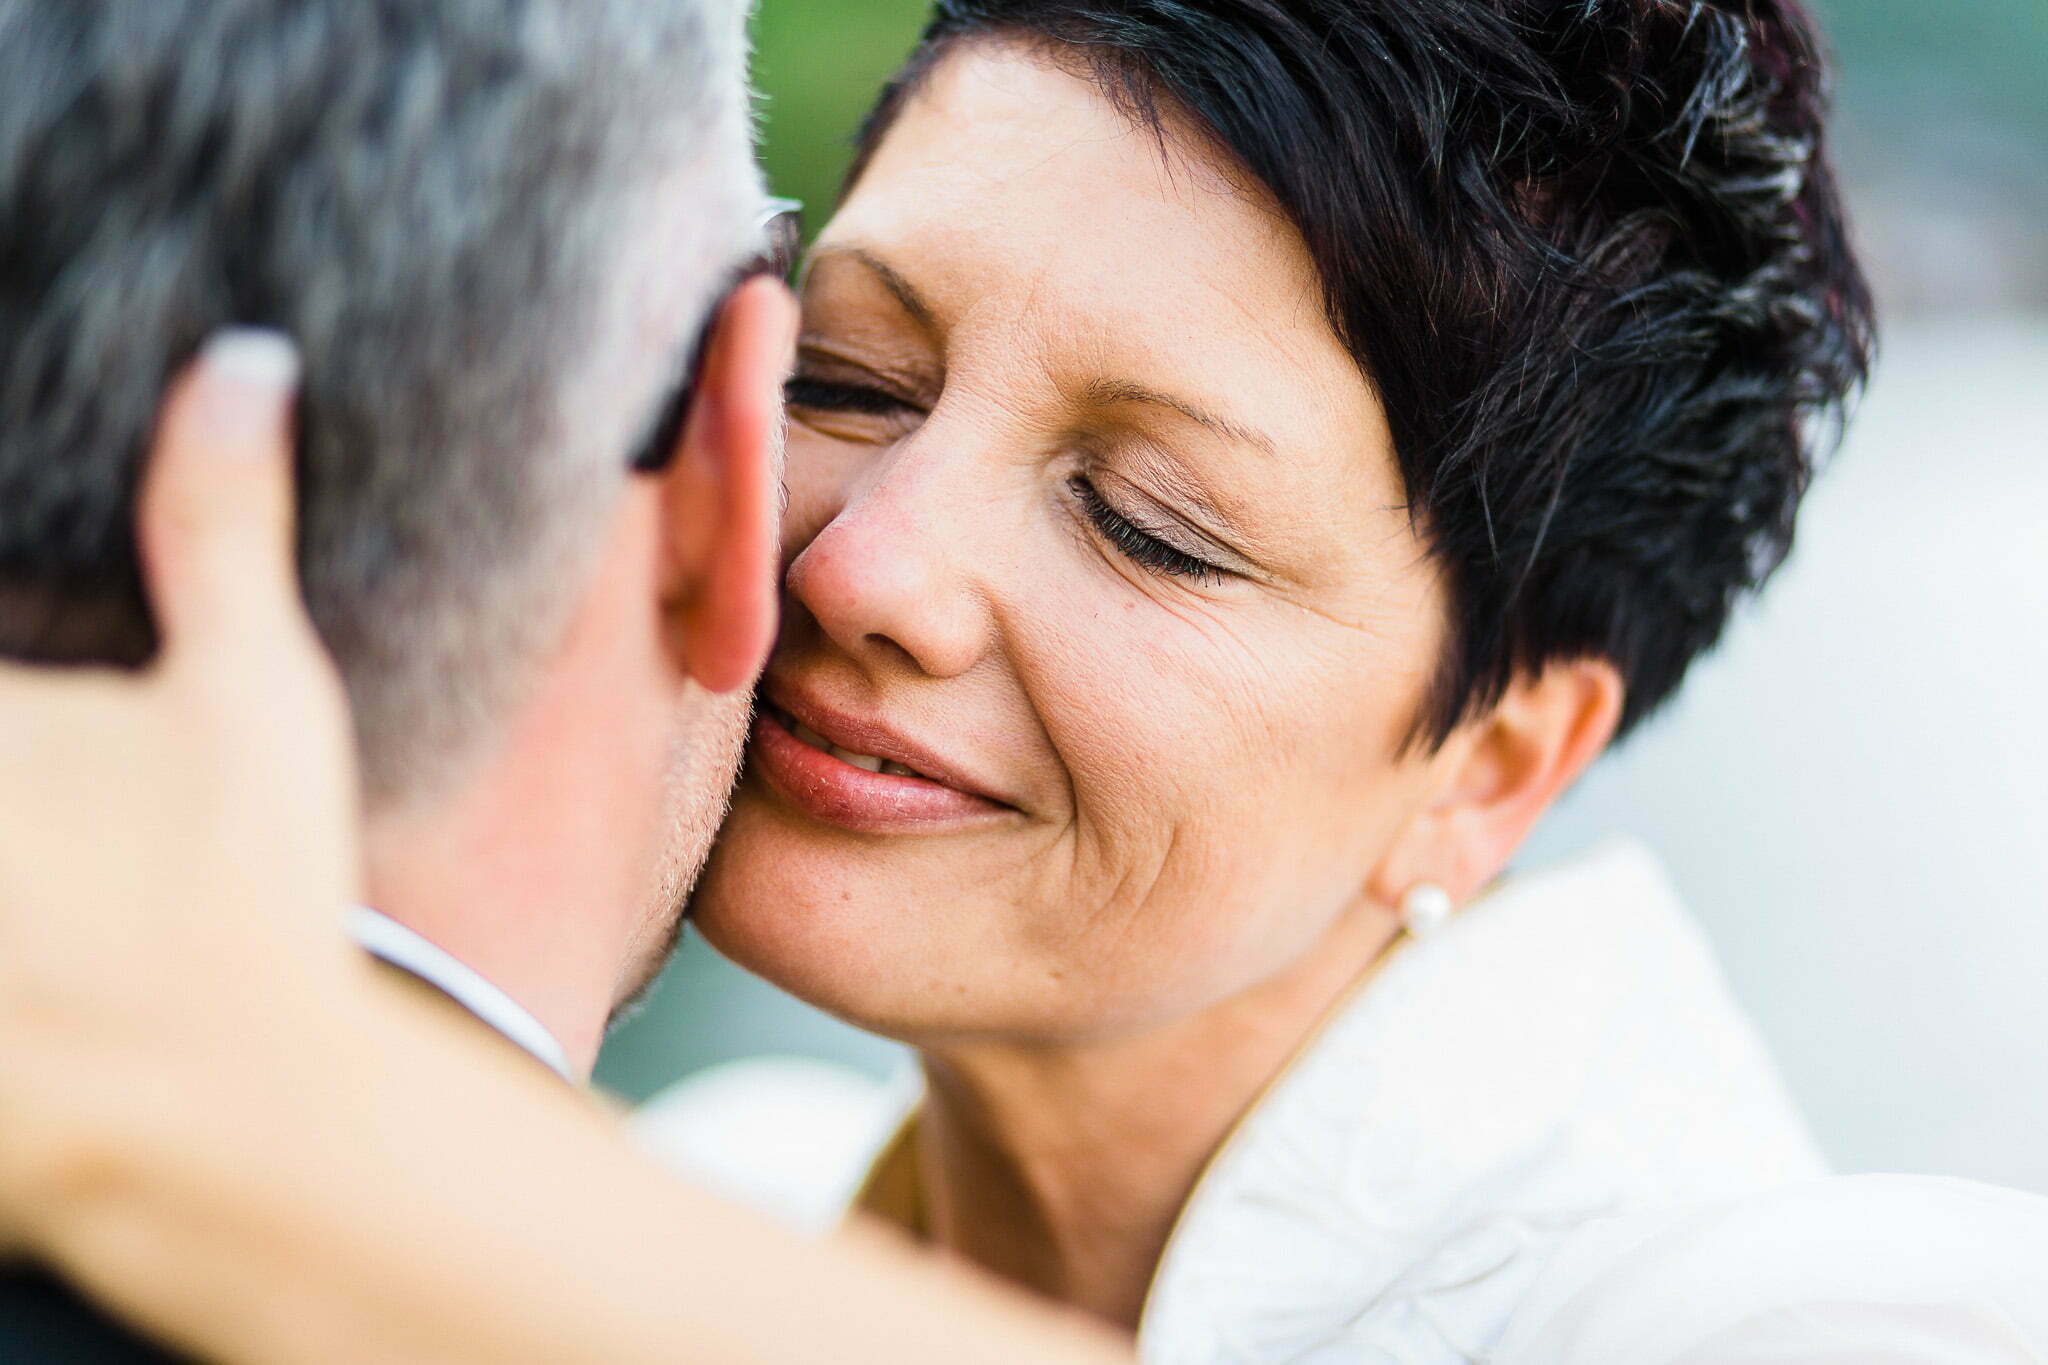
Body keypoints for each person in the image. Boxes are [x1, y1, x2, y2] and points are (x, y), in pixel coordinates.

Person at [5, 1, 2048, 1362]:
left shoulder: (1852, 1310)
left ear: (1496, 760)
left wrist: (262, 1089)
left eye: (1151, 520)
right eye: (851, 377)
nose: (867, 563)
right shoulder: (718, 1179)